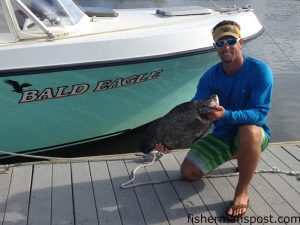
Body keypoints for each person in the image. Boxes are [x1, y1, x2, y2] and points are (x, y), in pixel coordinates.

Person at [156, 20, 273, 219]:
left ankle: (242, 192)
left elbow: (260, 113)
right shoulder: (209, 78)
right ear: (215, 48)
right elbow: (192, 112)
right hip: (221, 134)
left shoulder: (259, 71)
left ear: (240, 42)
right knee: (188, 173)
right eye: (220, 43)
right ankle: (240, 154)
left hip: (254, 135)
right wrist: (168, 141)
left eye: (230, 40)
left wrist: (226, 114)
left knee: (248, 130)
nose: (226, 46)